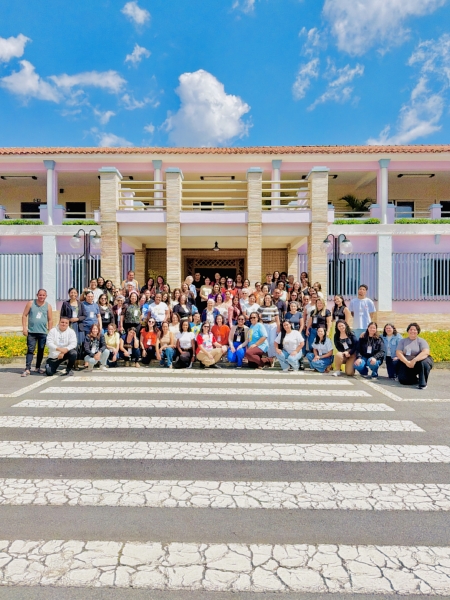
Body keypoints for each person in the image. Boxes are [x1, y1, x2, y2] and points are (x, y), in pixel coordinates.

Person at [21, 289, 53, 376]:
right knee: (30, 350)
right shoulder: (31, 303)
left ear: (46, 296)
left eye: (43, 295)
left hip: (43, 332)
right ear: (37, 295)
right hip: (32, 332)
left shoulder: (48, 306)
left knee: (41, 350)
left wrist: (50, 331)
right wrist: (24, 328)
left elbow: (50, 320)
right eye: (40, 295)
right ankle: (27, 368)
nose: (41, 297)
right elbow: (24, 315)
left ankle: (37, 367)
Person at [396, 323, 433, 389]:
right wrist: (407, 362)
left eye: (415, 330)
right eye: (411, 329)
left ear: (418, 331)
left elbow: (426, 352)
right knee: (403, 380)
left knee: (424, 363)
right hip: (408, 362)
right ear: (408, 331)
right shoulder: (403, 341)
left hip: (420, 361)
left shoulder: (421, 341)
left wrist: (415, 360)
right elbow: (399, 352)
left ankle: (423, 383)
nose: (412, 331)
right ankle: (415, 379)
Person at [59, 287, 85, 366]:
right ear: (69, 294)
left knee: (79, 343)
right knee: (69, 343)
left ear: (77, 294)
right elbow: (62, 315)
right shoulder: (65, 304)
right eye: (71, 292)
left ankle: (76, 362)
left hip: (78, 326)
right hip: (69, 325)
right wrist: (68, 320)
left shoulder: (81, 304)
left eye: (75, 293)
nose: (73, 294)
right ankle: (70, 361)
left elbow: (84, 316)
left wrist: (77, 318)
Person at [258, 294, 280, 362]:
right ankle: (268, 356)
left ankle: (274, 356)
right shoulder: (261, 307)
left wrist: (278, 327)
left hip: (273, 325)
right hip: (264, 325)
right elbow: (258, 317)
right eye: (266, 298)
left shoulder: (274, 307)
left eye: (268, 298)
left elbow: (277, 318)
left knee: (272, 341)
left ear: (271, 299)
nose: (267, 299)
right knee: (266, 341)